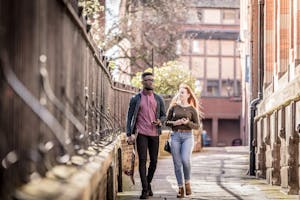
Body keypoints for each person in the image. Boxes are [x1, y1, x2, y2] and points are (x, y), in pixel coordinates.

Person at [126, 71, 166, 199]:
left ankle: (148, 184)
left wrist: (160, 121)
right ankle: (144, 190)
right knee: (142, 161)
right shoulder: (135, 99)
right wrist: (129, 134)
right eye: (148, 80)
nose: (150, 82)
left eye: (152, 80)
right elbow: (129, 117)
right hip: (141, 133)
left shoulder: (158, 98)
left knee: (153, 161)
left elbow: (163, 115)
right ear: (143, 82)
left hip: (154, 133)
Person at [165, 83, 200, 198]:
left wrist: (187, 123)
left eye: (182, 92)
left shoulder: (192, 109)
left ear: (188, 94)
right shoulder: (174, 107)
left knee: (185, 160)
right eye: (179, 92)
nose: (180, 94)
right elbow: (166, 122)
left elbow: (197, 126)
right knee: (177, 163)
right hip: (175, 136)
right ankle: (180, 188)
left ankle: (187, 182)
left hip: (187, 137)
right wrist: (175, 123)